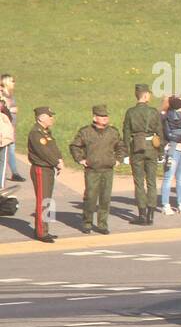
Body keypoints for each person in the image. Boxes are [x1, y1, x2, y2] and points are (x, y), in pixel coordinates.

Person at [69, 104, 126, 235]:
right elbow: (74, 146)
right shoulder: (85, 132)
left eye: (106, 116)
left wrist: (118, 159)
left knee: (105, 198)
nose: (105, 118)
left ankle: (102, 224)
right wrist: (80, 159)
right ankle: (87, 222)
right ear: (95, 117)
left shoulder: (113, 132)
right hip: (92, 170)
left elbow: (121, 146)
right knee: (90, 197)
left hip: (107, 169)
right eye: (101, 116)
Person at [122, 84, 164, 225]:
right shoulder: (153, 112)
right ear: (145, 95)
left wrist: (125, 153)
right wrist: (161, 152)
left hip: (136, 148)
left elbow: (126, 134)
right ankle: (151, 214)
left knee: (139, 182)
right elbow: (160, 132)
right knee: (151, 182)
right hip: (151, 148)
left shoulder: (130, 112)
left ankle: (142, 215)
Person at [26, 106, 62, 243]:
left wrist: (60, 159)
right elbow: (43, 152)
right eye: (49, 116)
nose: (52, 118)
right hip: (41, 169)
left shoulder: (45, 132)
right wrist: (56, 162)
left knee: (47, 200)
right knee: (43, 200)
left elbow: (53, 148)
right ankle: (41, 232)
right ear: (41, 117)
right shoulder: (36, 133)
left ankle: (44, 229)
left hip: (48, 169)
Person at [159, 95, 181, 215]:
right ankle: (167, 205)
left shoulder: (178, 116)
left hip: (179, 149)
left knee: (179, 178)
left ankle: (180, 204)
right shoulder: (166, 117)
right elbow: (168, 133)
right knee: (170, 178)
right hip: (173, 148)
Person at [1, 73, 21, 181]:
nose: (14, 83)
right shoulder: (2, 96)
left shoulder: (11, 95)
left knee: (11, 150)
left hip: (11, 126)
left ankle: (15, 172)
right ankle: (14, 173)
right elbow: (5, 109)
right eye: (12, 81)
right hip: (5, 128)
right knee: (6, 152)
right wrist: (12, 109)